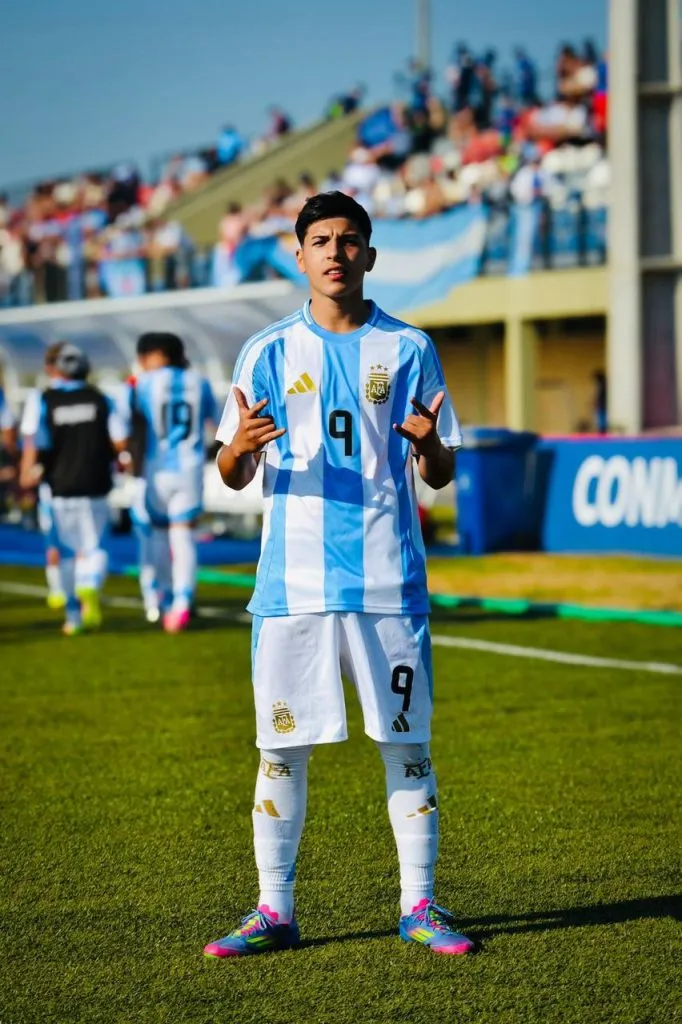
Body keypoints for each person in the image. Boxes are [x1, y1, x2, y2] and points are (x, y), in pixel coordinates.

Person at [205, 191, 473, 958]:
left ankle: (420, 905)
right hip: (293, 588)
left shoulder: (411, 347)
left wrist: (430, 448)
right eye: (320, 239)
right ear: (299, 255)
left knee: (408, 745)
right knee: (280, 750)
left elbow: (442, 470)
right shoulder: (265, 351)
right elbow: (229, 471)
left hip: (389, 584)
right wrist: (239, 450)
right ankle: (273, 909)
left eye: (349, 239)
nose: (335, 252)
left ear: (369, 255)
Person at [19, 345, 127, 635]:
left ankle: (72, 615)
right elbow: (120, 442)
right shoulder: (101, 399)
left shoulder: (43, 399)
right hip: (96, 485)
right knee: (96, 547)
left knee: (64, 551)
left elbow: (35, 442)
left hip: (58, 487)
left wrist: (26, 473)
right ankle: (89, 585)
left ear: (55, 368)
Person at [121, 333, 219, 632]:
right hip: (190, 469)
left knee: (158, 536)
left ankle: (160, 597)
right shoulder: (200, 382)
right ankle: (182, 602)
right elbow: (217, 428)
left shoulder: (140, 384)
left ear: (155, 355)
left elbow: (124, 426)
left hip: (155, 469)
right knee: (184, 537)